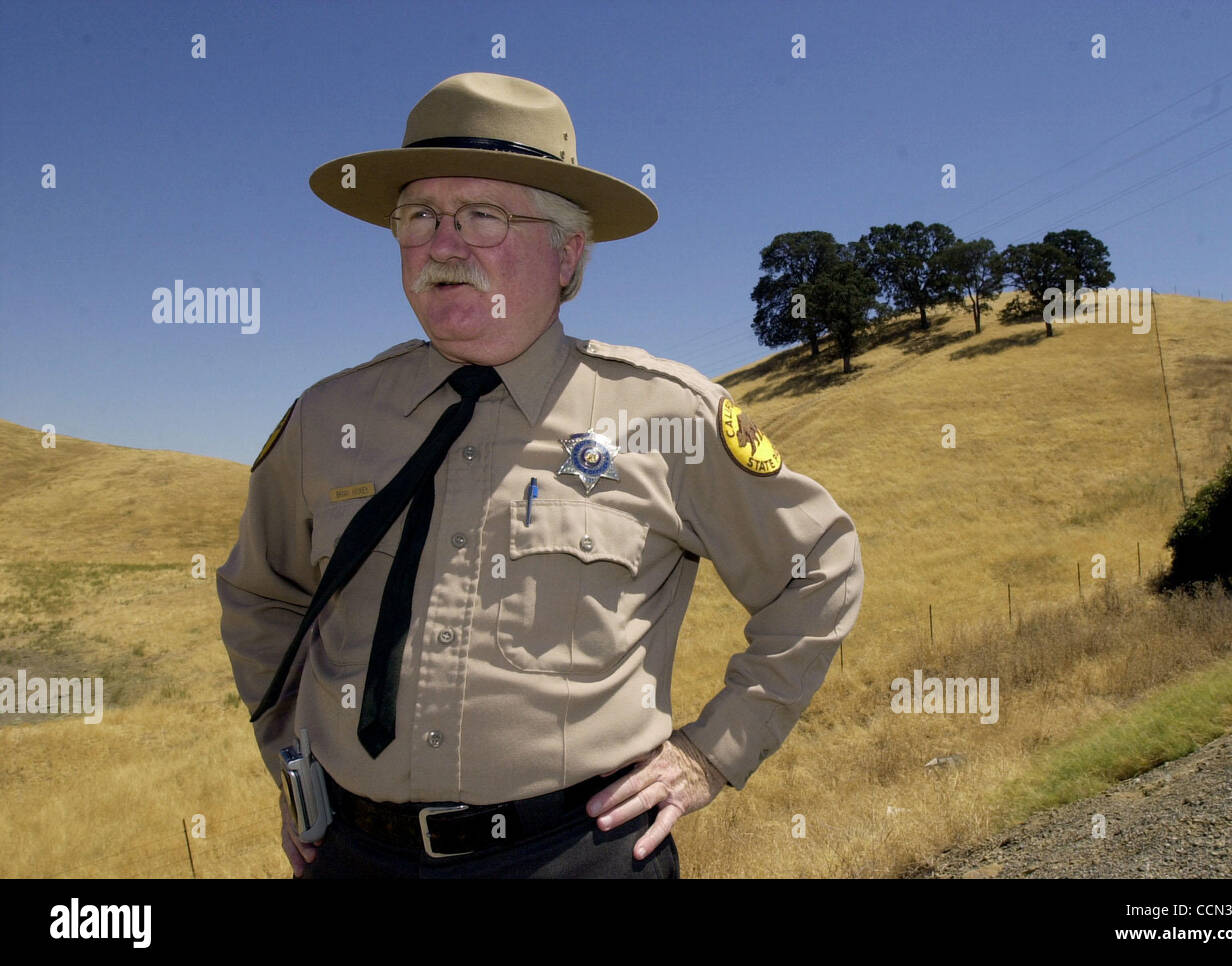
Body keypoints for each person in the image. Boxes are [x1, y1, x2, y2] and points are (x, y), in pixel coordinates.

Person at [216, 72, 863, 879]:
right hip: (354, 856)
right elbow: (261, 597)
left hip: (576, 856)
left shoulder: (666, 414)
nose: (443, 245)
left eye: (483, 216)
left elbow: (818, 568)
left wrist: (713, 752)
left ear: (567, 253)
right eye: (419, 216)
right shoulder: (326, 419)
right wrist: (294, 767)